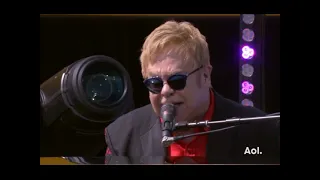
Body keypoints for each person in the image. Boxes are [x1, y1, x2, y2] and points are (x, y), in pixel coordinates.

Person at [104, 20, 280, 164]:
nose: (165, 91)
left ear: (205, 75)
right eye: (155, 83)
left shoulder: (260, 131)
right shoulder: (121, 136)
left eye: (177, 81)